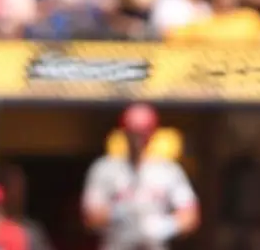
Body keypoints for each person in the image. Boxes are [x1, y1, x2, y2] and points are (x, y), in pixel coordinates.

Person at [82, 104, 200, 250]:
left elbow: (190, 216)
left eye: (144, 132)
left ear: (152, 133)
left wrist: (166, 226)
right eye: (133, 132)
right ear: (124, 131)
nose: (138, 138)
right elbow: (91, 217)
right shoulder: (105, 168)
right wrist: (118, 214)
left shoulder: (168, 170)